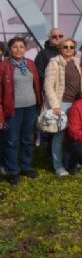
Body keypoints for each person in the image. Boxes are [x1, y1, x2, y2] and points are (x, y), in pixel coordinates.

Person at [0, 37, 42, 185]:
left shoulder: (30, 64)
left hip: (30, 108)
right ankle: (13, 171)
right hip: (13, 110)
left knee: (27, 139)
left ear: (25, 49)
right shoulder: (4, 66)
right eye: (15, 47)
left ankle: (26, 167)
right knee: (11, 141)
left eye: (21, 47)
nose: (18, 50)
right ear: (9, 49)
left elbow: (36, 85)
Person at [42, 37, 82, 176]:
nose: (69, 49)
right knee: (59, 137)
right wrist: (55, 105)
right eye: (65, 47)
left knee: (73, 135)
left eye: (71, 47)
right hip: (62, 104)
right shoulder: (54, 62)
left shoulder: (75, 62)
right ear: (60, 49)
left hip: (76, 103)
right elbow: (48, 86)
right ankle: (58, 166)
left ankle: (70, 162)